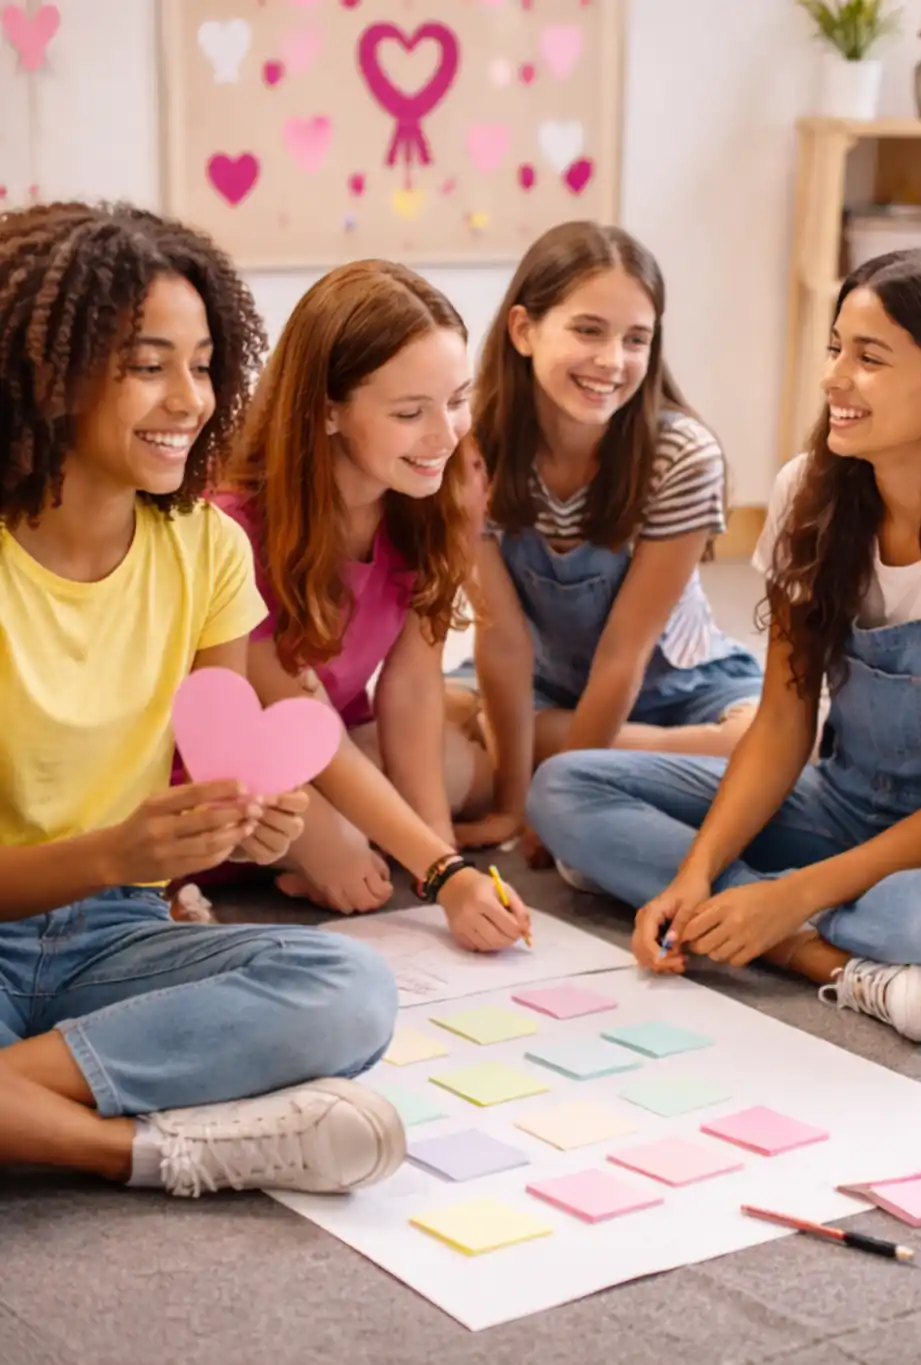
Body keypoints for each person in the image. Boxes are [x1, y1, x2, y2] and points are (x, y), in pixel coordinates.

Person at [0, 203, 403, 1197]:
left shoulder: (208, 548)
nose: (191, 398)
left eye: (205, 361)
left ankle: (17, 1100)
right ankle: (152, 1150)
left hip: (116, 931)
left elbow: (226, 766)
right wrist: (114, 853)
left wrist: (254, 824)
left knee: (348, 990)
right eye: (147, 364)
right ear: (50, 375)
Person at [525, 248, 921, 1044]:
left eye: (869, 357)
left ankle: (773, 919)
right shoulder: (806, 491)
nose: (834, 378)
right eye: (835, 347)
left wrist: (786, 895)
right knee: (565, 788)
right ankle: (820, 958)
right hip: (839, 800)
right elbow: (786, 721)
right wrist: (694, 871)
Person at [217, 260, 532, 949]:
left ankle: (329, 843)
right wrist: (442, 873)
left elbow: (414, 685)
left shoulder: (439, 490)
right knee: (348, 841)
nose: (446, 434)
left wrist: (440, 863)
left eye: (456, 399)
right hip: (243, 756)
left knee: (462, 777)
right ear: (325, 410)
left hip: (342, 728)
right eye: (409, 412)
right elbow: (298, 723)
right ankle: (293, 856)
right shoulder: (234, 528)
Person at [453, 223, 763, 855]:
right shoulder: (471, 450)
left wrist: (564, 791)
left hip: (682, 688)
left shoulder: (681, 456)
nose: (612, 361)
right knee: (409, 725)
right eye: (588, 330)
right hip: (539, 683)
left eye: (636, 339)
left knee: (771, 740)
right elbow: (503, 639)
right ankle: (602, 764)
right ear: (523, 330)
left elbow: (626, 651)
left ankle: (557, 752)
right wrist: (515, 809)